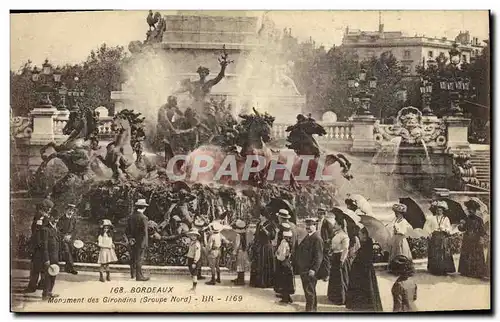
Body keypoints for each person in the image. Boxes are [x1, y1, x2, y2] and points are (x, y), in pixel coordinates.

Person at [345, 227, 383, 312]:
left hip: (363, 272)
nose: (358, 236)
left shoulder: (367, 245)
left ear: (365, 235)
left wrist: (356, 256)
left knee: (364, 289)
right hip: (363, 271)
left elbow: (364, 258)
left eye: (360, 234)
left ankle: (363, 305)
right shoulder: (366, 244)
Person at [23, 199, 53, 293]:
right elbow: (36, 231)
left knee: (37, 268)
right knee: (38, 268)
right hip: (39, 246)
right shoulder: (40, 217)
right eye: (47, 209)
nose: (47, 211)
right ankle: (36, 285)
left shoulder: (43, 218)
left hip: (39, 246)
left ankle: (35, 286)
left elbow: (38, 232)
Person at [296, 217, 323, 312]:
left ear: (315, 225)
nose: (308, 227)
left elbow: (319, 256)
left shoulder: (317, 238)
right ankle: (313, 310)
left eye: (310, 225)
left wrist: (314, 269)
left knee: (309, 291)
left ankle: (309, 311)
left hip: (310, 270)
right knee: (310, 291)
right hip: (304, 268)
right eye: (307, 225)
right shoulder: (308, 236)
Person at [423, 201, 456, 276]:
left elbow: (449, 228)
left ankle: (444, 269)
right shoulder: (432, 218)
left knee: (443, 253)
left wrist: (444, 229)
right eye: (437, 210)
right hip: (435, 237)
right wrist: (429, 233)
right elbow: (426, 227)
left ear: (443, 210)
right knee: (434, 253)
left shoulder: (446, 219)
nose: (439, 211)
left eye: (440, 210)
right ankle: (435, 269)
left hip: (443, 237)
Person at [458, 199, 487, 279]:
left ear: (475, 211)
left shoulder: (479, 220)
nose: (470, 211)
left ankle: (477, 272)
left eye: (472, 210)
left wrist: (481, 238)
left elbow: (482, 230)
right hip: (467, 239)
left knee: (476, 255)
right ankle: (466, 271)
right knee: (467, 254)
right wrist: (461, 225)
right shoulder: (465, 219)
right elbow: (462, 229)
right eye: (469, 210)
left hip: (476, 239)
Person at [327, 208, 350, 305]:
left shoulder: (344, 236)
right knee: (334, 277)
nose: (334, 225)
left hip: (341, 257)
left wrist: (341, 260)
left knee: (341, 278)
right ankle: (334, 296)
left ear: (340, 225)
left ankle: (341, 298)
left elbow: (345, 249)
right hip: (335, 256)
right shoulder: (337, 234)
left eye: (336, 224)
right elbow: (335, 245)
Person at [125, 199, 150, 281]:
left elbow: (127, 230)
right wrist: (145, 243)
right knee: (139, 258)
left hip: (132, 241)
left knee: (132, 257)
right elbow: (144, 232)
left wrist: (130, 239)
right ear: (144, 208)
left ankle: (133, 275)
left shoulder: (131, 217)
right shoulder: (144, 218)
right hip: (140, 242)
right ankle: (139, 276)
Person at [250, 213, 277, 288]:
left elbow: (272, 236)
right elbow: (256, 234)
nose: (259, 216)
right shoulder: (258, 223)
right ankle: (258, 282)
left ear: (264, 216)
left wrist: (265, 230)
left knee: (265, 264)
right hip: (259, 246)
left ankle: (266, 282)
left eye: (261, 215)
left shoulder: (270, 224)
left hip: (266, 246)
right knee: (258, 264)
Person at [387, 203, 413, 272]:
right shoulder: (396, 220)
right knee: (395, 253)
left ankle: (402, 268)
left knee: (401, 252)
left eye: (397, 213)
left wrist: (398, 230)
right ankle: (395, 268)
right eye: (395, 212)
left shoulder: (404, 221)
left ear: (401, 213)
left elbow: (405, 231)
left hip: (401, 239)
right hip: (395, 238)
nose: (395, 214)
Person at [41, 213, 60, 300]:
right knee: (47, 276)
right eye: (55, 218)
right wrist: (46, 259)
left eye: (57, 219)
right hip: (49, 257)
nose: (56, 220)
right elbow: (44, 246)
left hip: (55, 257)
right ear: (51, 217)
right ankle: (45, 294)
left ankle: (49, 292)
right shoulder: (45, 230)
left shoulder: (55, 229)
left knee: (53, 275)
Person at [274, 230, 295, 304]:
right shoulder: (290, 244)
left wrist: (277, 255)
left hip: (283, 263)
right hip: (288, 263)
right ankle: (288, 297)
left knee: (283, 281)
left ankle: (285, 298)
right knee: (288, 281)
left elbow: (281, 256)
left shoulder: (283, 244)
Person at [57, 204, 78, 275]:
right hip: (62, 239)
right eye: (69, 210)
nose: (71, 212)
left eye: (72, 211)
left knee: (71, 251)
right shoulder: (61, 219)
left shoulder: (73, 219)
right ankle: (71, 268)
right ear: (66, 210)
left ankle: (67, 267)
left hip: (70, 238)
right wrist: (63, 237)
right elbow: (58, 230)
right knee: (67, 251)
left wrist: (71, 236)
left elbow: (75, 230)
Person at [317, 207, 336, 281]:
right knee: (318, 258)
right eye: (318, 214)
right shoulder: (316, 222)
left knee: (325, 259)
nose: (319, 215)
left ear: (324, 214)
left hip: (325, 243)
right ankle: (320, 274)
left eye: (320, 214)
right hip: (318, 242)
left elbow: (332, 233)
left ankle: (327, 275)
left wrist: (329, 240)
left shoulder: (327, 223)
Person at [231, 219, 249, 286]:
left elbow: (237, 244)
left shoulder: (238, 235)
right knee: (242, 266)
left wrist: (234, 252)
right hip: (244, 251)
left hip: (240, 251)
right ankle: (240, 278)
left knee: (239, 265)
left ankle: (240, 280)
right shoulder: (244, 234)